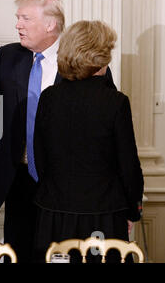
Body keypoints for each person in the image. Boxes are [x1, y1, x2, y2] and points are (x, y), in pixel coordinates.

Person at [0, 0, 116, 262]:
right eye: (18, 18)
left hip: (67, 185)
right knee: (20, 254)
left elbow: (106, 124)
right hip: (19, 179)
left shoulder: (84, 60)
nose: (18, 25)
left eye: (25, 18)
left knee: (61, 255)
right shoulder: (8, 57)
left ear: (50, 24)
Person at [32, 20, 144, 263]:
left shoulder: (48, 98)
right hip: (103, 215)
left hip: (54, 214)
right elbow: (128, 165)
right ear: (100, 57)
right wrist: (133, 211)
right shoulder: (115, 102)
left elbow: (39, 158)